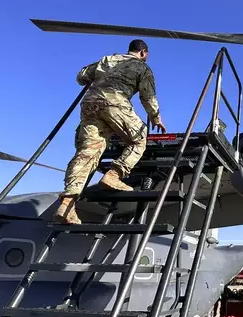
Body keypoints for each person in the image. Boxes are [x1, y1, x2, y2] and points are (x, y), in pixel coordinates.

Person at [54, 39, 167, 224]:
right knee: (139, 139)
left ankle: (67, 205)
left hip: (90, 105)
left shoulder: (107, 59)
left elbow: (81, 76)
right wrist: (156, 118)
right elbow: (148, 96)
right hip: (115, 103)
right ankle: (114, 175)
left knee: (87, 153)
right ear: (144, 53)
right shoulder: (142, 67)